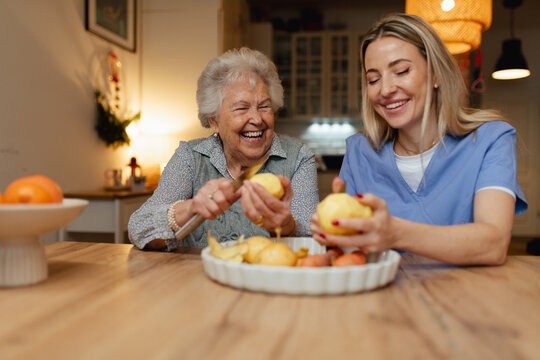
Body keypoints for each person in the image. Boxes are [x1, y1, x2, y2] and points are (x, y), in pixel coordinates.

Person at [310, 14, 527, 265]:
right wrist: (317, 231)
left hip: (467, 298)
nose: (386, 89)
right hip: (381, 299)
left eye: (401, 71)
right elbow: (345, 252)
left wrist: (395, 233)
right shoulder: (360, 151)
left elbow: (494, 244)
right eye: (374, 79)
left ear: (435, 74)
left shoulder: (491, 139)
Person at [129, 47, 319, 251]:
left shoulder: (298, 157)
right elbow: (139, 228)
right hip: (198, 278)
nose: (257, 119)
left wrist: (287, 226)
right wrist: (191, 207)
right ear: (214, 121)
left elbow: (314, 241)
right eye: (242, 108)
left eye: (264, 106)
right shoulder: (191, 157)